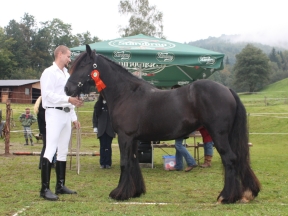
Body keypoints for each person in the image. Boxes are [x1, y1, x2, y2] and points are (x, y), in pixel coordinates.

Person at [39, 45, 83, 201]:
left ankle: (60, 185)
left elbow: (68, 96)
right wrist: (68, 100)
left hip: (65, 114)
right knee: (50, 148)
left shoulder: (66, 74)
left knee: (63, 150)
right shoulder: (48, 73)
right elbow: (48, 95)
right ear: (60, 54)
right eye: (68, 56)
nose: (69, 59)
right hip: (53, 113)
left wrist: (73, 117)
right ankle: (44, 189)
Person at [169, 84, 197, 172]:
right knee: (178, 145)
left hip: (182, 126)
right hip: (180, 126)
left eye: (173, 90)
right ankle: (179, 165)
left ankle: (191, 162)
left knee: (178, 145)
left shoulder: (181, 102)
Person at [92, 94, 115, 169]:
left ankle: (108, 163)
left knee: (108, 146)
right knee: (102, 146)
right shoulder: (98, 104)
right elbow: (95, 117)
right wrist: (95, 127)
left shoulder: (111, 104)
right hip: (101, 129)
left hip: (110, 129)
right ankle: (102, 163)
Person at [34, 96, 57, 170]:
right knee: (46, 147)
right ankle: (43, 163)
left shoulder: (41, 109)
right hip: (46, 130)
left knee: (47, 146)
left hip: (44, 130)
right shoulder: (43, 110)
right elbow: (47, 120)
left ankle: (48, 163)